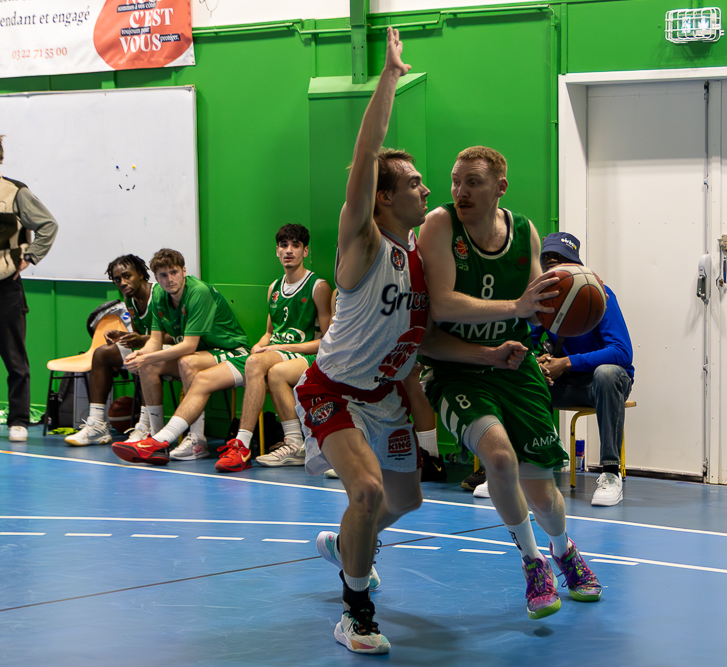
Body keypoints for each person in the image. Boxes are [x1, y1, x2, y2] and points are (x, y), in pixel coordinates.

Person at [294, 29, 526, 655]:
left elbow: (426, 344)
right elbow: (367, 152)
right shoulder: (362, 243)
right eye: (416, 182)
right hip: (332, 391)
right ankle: (356, 612)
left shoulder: (424, 263)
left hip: (385, 397)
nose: (428, 189)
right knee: (366, 492)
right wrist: (391, 76)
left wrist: (487, 354)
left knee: (406, 498)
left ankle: (346, 544)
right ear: (384, 197)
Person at [417, 146, 602, 622]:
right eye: (456, 180)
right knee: (498, 457)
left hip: (513, 364)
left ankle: (563, 549)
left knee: (544, 493)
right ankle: (532, 561)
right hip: (457, 366)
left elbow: (538, 299)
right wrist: (517, 308)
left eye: (473, 182)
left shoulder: (524, 231)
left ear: (500, 187)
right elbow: (441, 306)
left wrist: (565, 302)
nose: (460, 191)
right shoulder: (439, 226)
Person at [211, 223, 333, 472]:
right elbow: (269, 333)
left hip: (309, 356)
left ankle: (241, 445)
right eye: (283, 245)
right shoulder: (273, 289)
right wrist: (258, 346)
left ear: (305, 251)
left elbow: (327, 341)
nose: (289, 250)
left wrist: (285, 349)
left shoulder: (318, 286)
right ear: (276, 251)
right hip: (279, 357)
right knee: (263, 365)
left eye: (295, 245)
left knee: (259, 364)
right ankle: (294, 443)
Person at [111, 248, 249, 465]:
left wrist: (148, 357)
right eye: (163, 275)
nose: (170, 279)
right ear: (156, 278)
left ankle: (197, 441)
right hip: (201, 353)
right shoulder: (158, 295)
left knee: (187, 362)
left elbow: (188, 346)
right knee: (148, 366)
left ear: (184, 271)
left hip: (231, 352)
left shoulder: (198, 292)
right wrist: (140, 355)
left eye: (174, 272)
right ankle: (156, 442)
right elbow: (155, 342)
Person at [533, 232, 634, 507]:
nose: (553, 267)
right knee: (520, 375)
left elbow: (623, 353)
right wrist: (536, 362)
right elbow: (522, 344)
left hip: (601, 385)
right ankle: (521, 469)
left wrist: (567, 362)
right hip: (564, 384)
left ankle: (610, 474)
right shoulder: (541, 299)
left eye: (560, 260)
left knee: (607, 373)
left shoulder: (599, 295)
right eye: (547, 261)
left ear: (576, 265)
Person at [65, 255, 170, 446]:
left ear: (140, 274)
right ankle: (97, 425)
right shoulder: (130, 299)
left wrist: (141, 340)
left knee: (145, 358)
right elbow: (140, 336)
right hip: (150, 347)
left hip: (173, 350)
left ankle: (145, 427)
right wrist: (123, 337)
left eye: (127, 276)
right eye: (117, 279)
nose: (123, 282)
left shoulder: (159, 295)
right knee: (102, 353)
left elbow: (176, 336)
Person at [0, 132, 58, 442]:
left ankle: (18, 421)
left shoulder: (15, 192)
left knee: (15, 358)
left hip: (5, 288)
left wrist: (30, 257)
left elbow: (48, 225)